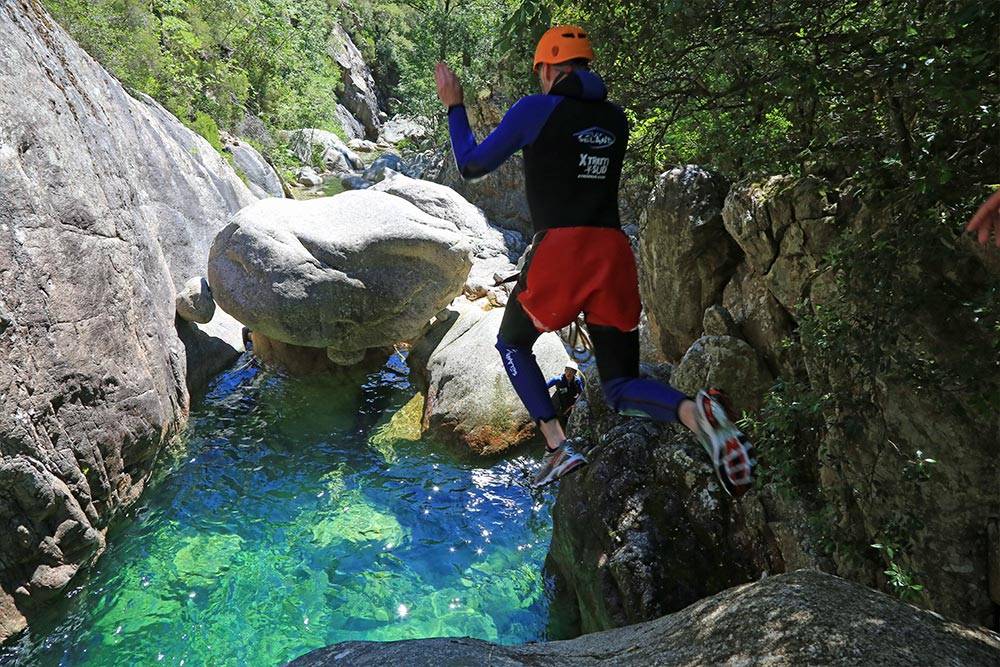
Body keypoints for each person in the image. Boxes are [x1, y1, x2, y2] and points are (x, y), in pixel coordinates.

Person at [434, 26, 756, 497]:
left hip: (562, 253)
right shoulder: (615, 120)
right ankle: (695, 412)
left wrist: (455, 106)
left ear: (549, 68)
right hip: (613, 254)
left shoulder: (535, 109)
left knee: (513, 343)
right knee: (620, 386)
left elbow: (472, 165)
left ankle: (557, 446)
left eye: (541, 72)